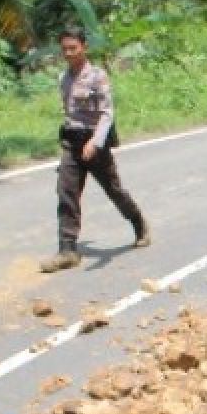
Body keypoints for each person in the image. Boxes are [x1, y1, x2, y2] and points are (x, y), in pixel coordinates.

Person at [40, 26, 150, 273]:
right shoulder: (63, 78)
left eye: (73, 48)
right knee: (65, 191)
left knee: (114, 190)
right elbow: (69, 113)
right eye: (64, 49)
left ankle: (139, 223)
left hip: (95, 143)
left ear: (84, 47)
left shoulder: (97, 76)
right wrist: (72, 140)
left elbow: (107, 112)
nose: (68, 53)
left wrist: (95, 142)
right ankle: (67, 249)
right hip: (72, 142)